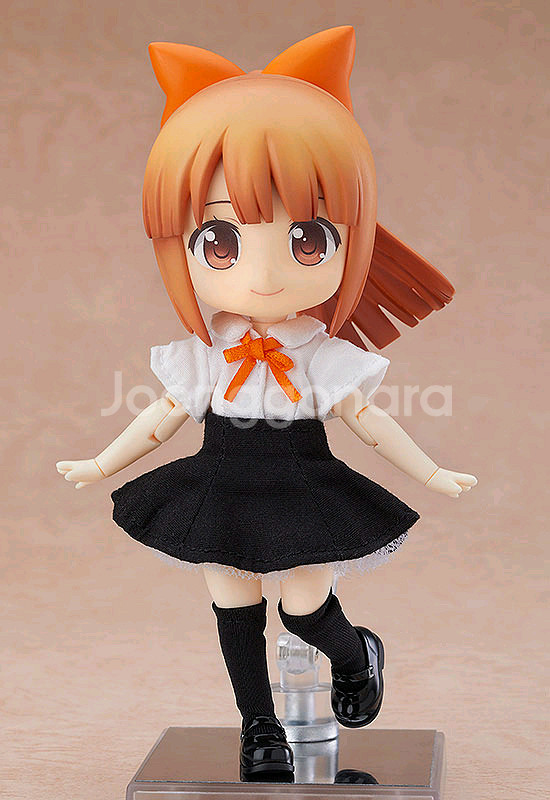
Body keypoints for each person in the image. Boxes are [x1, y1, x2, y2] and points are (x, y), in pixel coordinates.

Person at [56, 26, 477, 783]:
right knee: (232, 605)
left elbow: (367, 420)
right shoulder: (205, 351)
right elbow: (163, 415)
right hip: (219, 484)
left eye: (307, 239)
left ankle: (356, 656)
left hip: (303, 486)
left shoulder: (318, 350)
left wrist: (431, 471)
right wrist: (102, 461)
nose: (263, 274)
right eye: (221, 241)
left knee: (306, 606)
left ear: (352, 240)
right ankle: (259, 725)